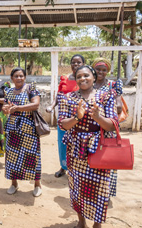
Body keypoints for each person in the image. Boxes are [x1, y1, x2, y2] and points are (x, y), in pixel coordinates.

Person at [58, 65, 117, 228]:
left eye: (86, 75)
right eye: (79, 76)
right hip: (76, 148)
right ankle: (81, 220)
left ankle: (97, 224)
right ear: (75, 79)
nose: (83, 79)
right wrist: (77, 117)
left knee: (100, 187)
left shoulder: (106, 95)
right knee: (76, 185)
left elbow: (112, 125)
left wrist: (98, 117)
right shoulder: (67, 97)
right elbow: (62, 125)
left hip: (99, 149)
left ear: (93, 76)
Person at [2, 67, 42, 197]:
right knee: (12, 156)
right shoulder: (8, 92)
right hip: (13, 128)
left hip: (28, 127)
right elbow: (4, 107)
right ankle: (14, 184)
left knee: (32, 156)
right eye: (16, 76)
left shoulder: (31, 89)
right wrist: (6, 109)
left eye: (21, 76)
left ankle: (37, 185)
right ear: (12, 78)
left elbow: (35, 104)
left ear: (25, 77)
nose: (19, 78)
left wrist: (18, 108)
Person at [46, 54, 85, 178]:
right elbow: (59, 95)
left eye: (79, 62)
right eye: (73, 62)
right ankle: (64, 167)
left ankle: (78, 169)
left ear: (83, 64)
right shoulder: (65, 78)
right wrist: (51, 106)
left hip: (81, 116)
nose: (76, 65)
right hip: (64, 116)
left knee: (79, 142)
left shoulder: (86, 79)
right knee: (63, 143)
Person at [92, 57, 122, 198]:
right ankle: (94, 190)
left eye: (104, 70)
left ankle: (106, 193)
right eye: (98, 69)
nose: (101, 72)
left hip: (108, 129)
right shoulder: (89, 84)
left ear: (107, 71)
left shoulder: (113, 85)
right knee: (93, 158)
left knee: (107, 160)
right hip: (91, 130)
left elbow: (119, 107)